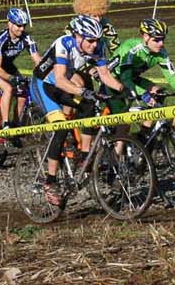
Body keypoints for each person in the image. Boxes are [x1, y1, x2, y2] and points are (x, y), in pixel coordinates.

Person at [30, 15, 126, 206]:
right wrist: (84, 91)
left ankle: (84, 155)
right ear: (77, 36)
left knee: (89, 105)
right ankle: (50, 181)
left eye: (97, 40)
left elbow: (105, 75)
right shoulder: (63, 44)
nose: (94, 45)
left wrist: (123, 90)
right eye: (90, 40)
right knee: (61, 127)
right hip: (43, 86)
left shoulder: (96, 47)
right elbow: (60, 80)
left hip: (63, 85)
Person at [0, 7, 40, 130]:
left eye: (24, 25)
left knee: (23, 92)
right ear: (10, 23)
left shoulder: (26, 38)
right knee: (7, 87)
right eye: (18, 25)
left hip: (7, 65)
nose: (22, 29)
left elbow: (38, 61)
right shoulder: (0, 39)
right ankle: (5, 124)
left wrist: (39, 75)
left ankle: (16, 124)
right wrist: (10, 78)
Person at [111, 18, 175, 107]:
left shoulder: (161, 52)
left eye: (163, 39)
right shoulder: (131, 48)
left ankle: (154, 121)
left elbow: (171, 78)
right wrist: (144, 94)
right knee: (119, 113)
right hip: (114, 79)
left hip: (132, 79)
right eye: (157, 40)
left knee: (158, 95)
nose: (161, 44)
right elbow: (125, 79)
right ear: (146, 37)